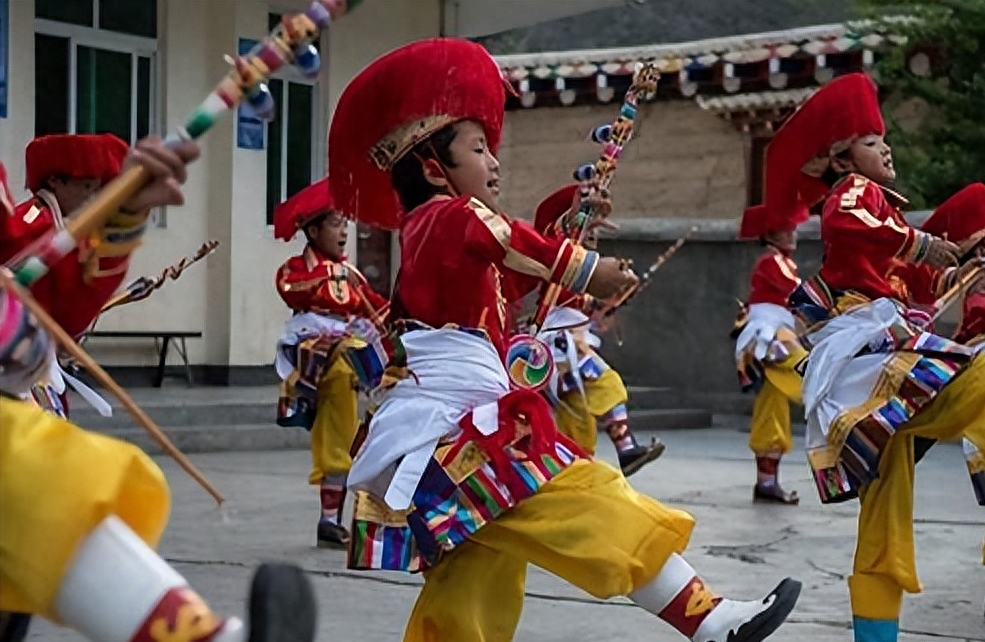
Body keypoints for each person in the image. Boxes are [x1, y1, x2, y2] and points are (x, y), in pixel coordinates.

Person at [328, 37, 801, 642]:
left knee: (473, 579)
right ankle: (710, 620)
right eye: (478, 148)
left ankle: (710, 620)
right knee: (586, 492)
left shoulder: (429, 235)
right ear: (431, 167)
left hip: (442, 424)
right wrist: (587, 267)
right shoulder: (452, 217)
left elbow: (510, 271)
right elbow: (512, 242)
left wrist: (570, 235)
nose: (494, 162)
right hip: (459, 424)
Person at [0, 148, 317, 642]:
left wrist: (120, 221)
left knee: (38, 472)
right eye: (88, 187)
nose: (92, 194)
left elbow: (49, 301)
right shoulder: (36, 217)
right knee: (22, 468)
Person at [757, 72, 985, 642]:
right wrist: (915, 240)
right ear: (839, 158)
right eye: (870, 140)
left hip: (868, 355)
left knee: (884, 514)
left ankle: (874, 634)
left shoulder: (881, 216)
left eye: (883, 140)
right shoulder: (859, 195)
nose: (886, 148)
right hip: (871, 352)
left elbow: (904, 275)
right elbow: (845, 220)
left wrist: (944, 267)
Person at [273, 177, 389, 548]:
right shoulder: (298, 267)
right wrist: (330, 277)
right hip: (322, 354)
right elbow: (290, 288)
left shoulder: (350, 273)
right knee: (336, 430)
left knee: (369, 418)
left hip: (354, 350)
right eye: (336, 223)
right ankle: (329, 518)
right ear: (313, 229)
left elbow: (377, 307)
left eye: (345, 223)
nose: (343, 231)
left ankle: (353, 515)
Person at [532, 184, 664, 476]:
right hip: (558, 344)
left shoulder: (579, 265)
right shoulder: (559, 254)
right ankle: (624, 450)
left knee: (579, 416)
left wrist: (612, 299)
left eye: (595, 229)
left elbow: (584, 303)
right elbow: (556, 239)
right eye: (586, 225)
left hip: (571, 343)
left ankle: (579, 470)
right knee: (605, 383)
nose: (592, 233)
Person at [0, 134, 135, 416]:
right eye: (85, 185)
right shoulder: (33, 225)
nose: (92, 195)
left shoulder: (62, 229)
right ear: (54, 181)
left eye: (97, 187)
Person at [733, 199, 809, 505]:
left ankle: (766, 483)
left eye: (791, 227)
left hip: (776, 332)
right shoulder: (771, 261)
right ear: (770, 234)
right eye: (784, 228)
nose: (791, 232)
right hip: (769, 336)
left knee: (772, 409)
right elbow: (797, 292)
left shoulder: (781, 261)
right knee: (809, 374)